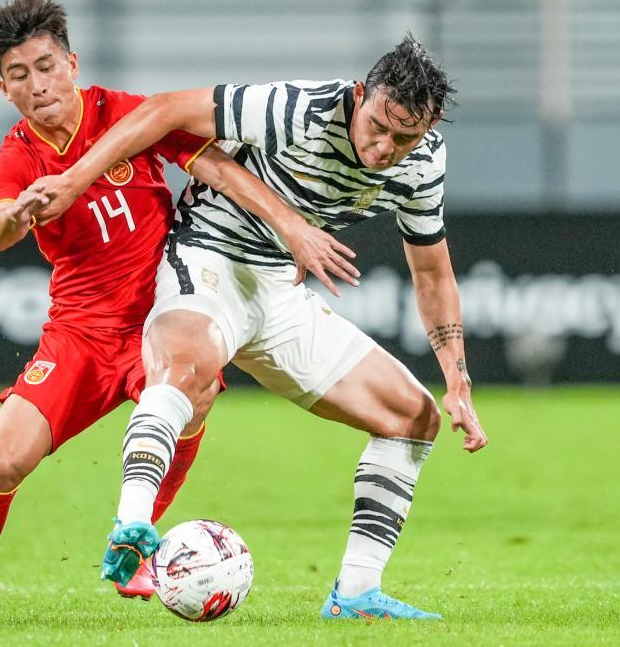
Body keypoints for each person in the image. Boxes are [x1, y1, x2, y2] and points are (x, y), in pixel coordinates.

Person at [0, 0, 357, 622]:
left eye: (46, 66)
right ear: (3, 89)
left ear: (72, 64)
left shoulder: (127, 116)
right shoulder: (17, 157)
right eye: (19, 75)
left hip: (164, 316)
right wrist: (18, 212)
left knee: (195, 395)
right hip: (81, 334)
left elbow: (219, 169)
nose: (38, 85)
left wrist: (292, 227)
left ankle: (137, 542)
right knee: (4, 459)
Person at [33, 35, 489, 621]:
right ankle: (132, 523)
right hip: (209, 256)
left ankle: (355, 595)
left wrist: (457, 378)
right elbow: (164, 110)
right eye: (378, 126)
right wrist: (73, 181)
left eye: (404, 139)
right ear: (359, 96)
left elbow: (432, 274)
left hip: (277, 289)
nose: (384, 149)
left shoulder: (424, 163)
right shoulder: (298, 108)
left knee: (413, 417)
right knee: (186, 368)